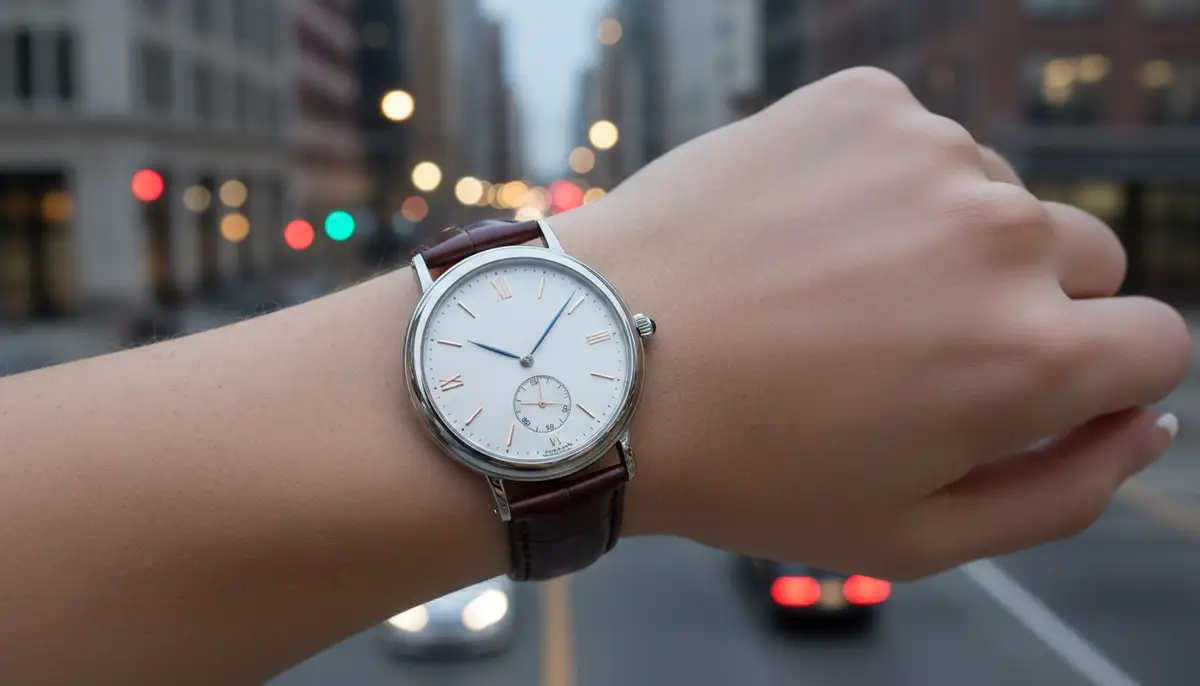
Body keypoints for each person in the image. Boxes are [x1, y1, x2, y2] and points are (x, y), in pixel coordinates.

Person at [0, 68, 1188, 685]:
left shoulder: (587, 328)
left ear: (631, 326)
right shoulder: (530, 347)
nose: (532, 351)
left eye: (575, 334)